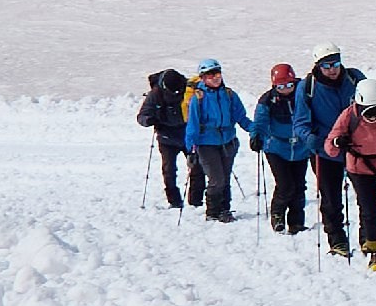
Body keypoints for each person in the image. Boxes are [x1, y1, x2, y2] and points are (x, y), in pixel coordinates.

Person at [325, 78, 376, 270]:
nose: (374, 118)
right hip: (360, 168)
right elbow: (329, 145)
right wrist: (338, 142)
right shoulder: (348, 116)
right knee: (369, 210)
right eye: (368, 113)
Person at [300, 48, 365, 254]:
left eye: (335, 64)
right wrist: (312, 139)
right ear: (318, 65)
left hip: (357, 148)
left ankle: (368, 237)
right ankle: (337, 239)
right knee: (330, 199)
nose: (332, 70)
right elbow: (300, 122)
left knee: (366, 196)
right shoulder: (308, 87)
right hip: (325, 150)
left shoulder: (354, 78)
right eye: (326, 65)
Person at [249, 63, 318, 235]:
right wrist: (256, 136)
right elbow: (260, 121)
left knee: (299, 185)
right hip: (277, 148)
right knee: (286, 185)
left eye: (289, 85)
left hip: (301, 148)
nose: (286, 89)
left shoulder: (304, 95)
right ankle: (277, 215)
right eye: (281, 86)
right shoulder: (268, 100)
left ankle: (296, 222)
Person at [181, 59, 250, 222]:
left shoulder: (229, 94)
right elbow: (193, 125)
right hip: (206, 144)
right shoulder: (198, 98)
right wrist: (191, 149)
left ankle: (224, 209)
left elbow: (241, 117)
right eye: (210, 75)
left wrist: (256, 131)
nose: (215, 77)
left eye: (217, 73)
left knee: (224, 178)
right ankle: (212, 211)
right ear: (203, 78)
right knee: (216, 179)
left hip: (228, 142)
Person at [136, 67, 191, 209]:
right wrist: (148, 120)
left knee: (197, 167)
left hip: (188, 135)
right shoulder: (155, 94)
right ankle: (175, 201)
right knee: (169, 171)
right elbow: (142, 116)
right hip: (167, 137)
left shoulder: (188, 88)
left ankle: (195, 200)